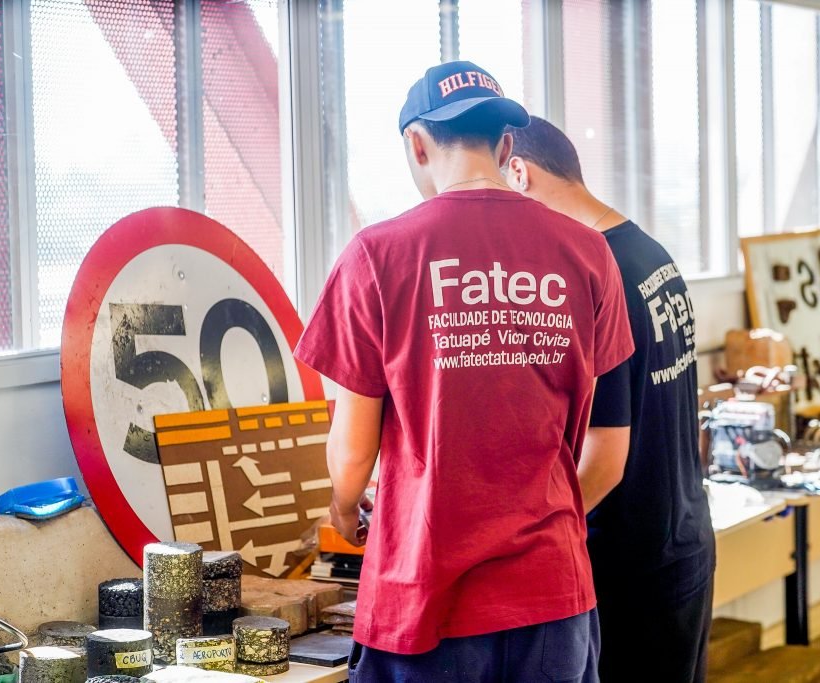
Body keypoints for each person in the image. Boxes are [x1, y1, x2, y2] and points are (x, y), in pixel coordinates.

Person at [295, 63, 634, 682]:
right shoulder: (588, 253)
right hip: (552, 592)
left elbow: (352, 455)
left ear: (417, 145)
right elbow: (594, 429)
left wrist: (344, 513)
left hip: (424, 595)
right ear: (505, 147)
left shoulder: (377, 255)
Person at [506, 116, 717, 683]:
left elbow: (605, 461)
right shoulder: (647, 253)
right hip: (680, 538)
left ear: (519, 173)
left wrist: (528, 543)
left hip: (631, 561)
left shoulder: (600, 270)